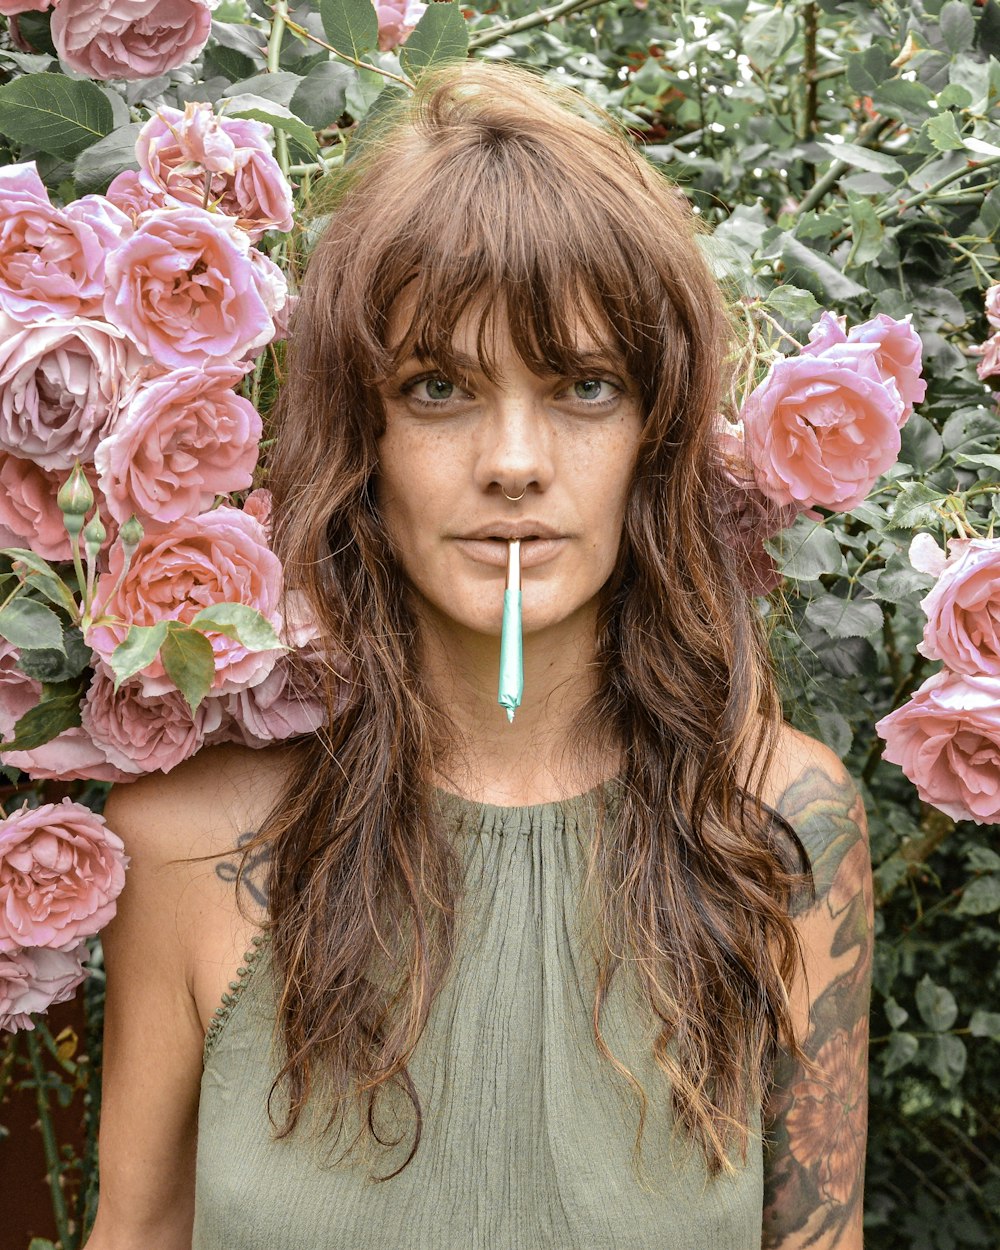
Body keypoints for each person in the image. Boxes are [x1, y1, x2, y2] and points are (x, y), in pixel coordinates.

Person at [84, 61, 873, 1250]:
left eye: (584, 386)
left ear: (654, 436)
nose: (513, 459)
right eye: (439, 385)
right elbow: (134, 1231)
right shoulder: (185, 843)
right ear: (362, 433)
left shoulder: (780, 822)